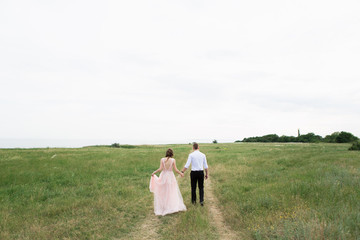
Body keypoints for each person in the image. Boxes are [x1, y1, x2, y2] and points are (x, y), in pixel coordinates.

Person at [149, 148, 187, 216]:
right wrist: (181, 173)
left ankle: (164, 206)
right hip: (170, 177)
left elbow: (160, 169)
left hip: (163, 176)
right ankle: (170, 206)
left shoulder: (162, 159)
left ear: (166, 153)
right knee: (170, 191)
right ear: (172, 154)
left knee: (163, 191)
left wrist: (154, 172)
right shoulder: (173, 160)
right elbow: (176, 170)